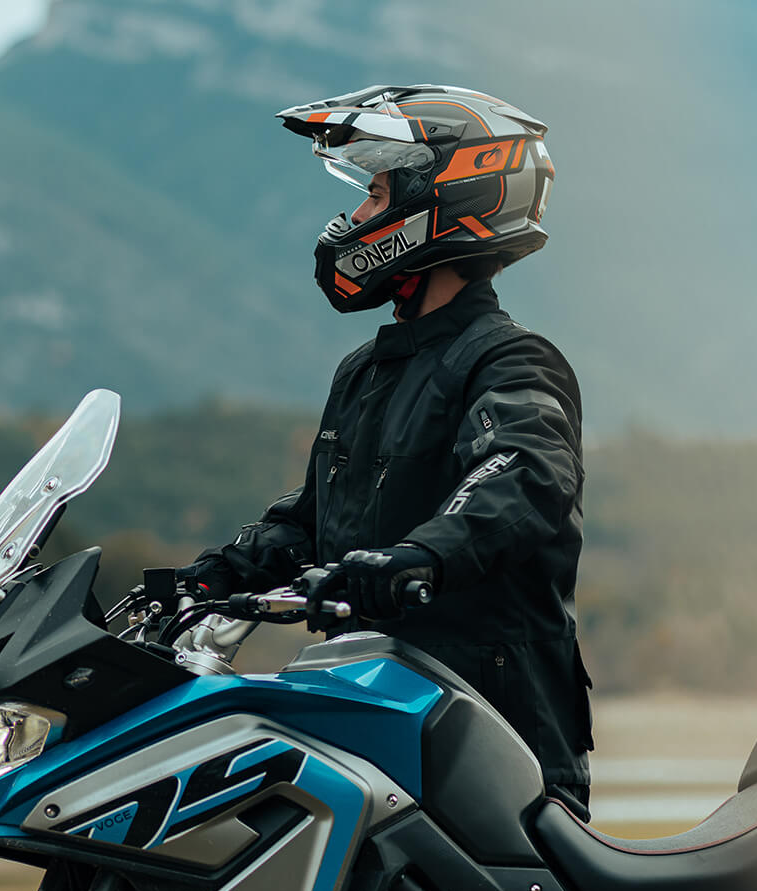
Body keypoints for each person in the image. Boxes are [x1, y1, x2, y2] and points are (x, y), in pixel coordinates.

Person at [177, 84, 593, 817]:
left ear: (442, 196)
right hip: (380, 716)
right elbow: (313, 520)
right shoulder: (367, 371)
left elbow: (521, 474)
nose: (356, 217)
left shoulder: (510, 361)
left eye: (373, 194)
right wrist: (211, 576)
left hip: (491, 744)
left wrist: (418, 557)